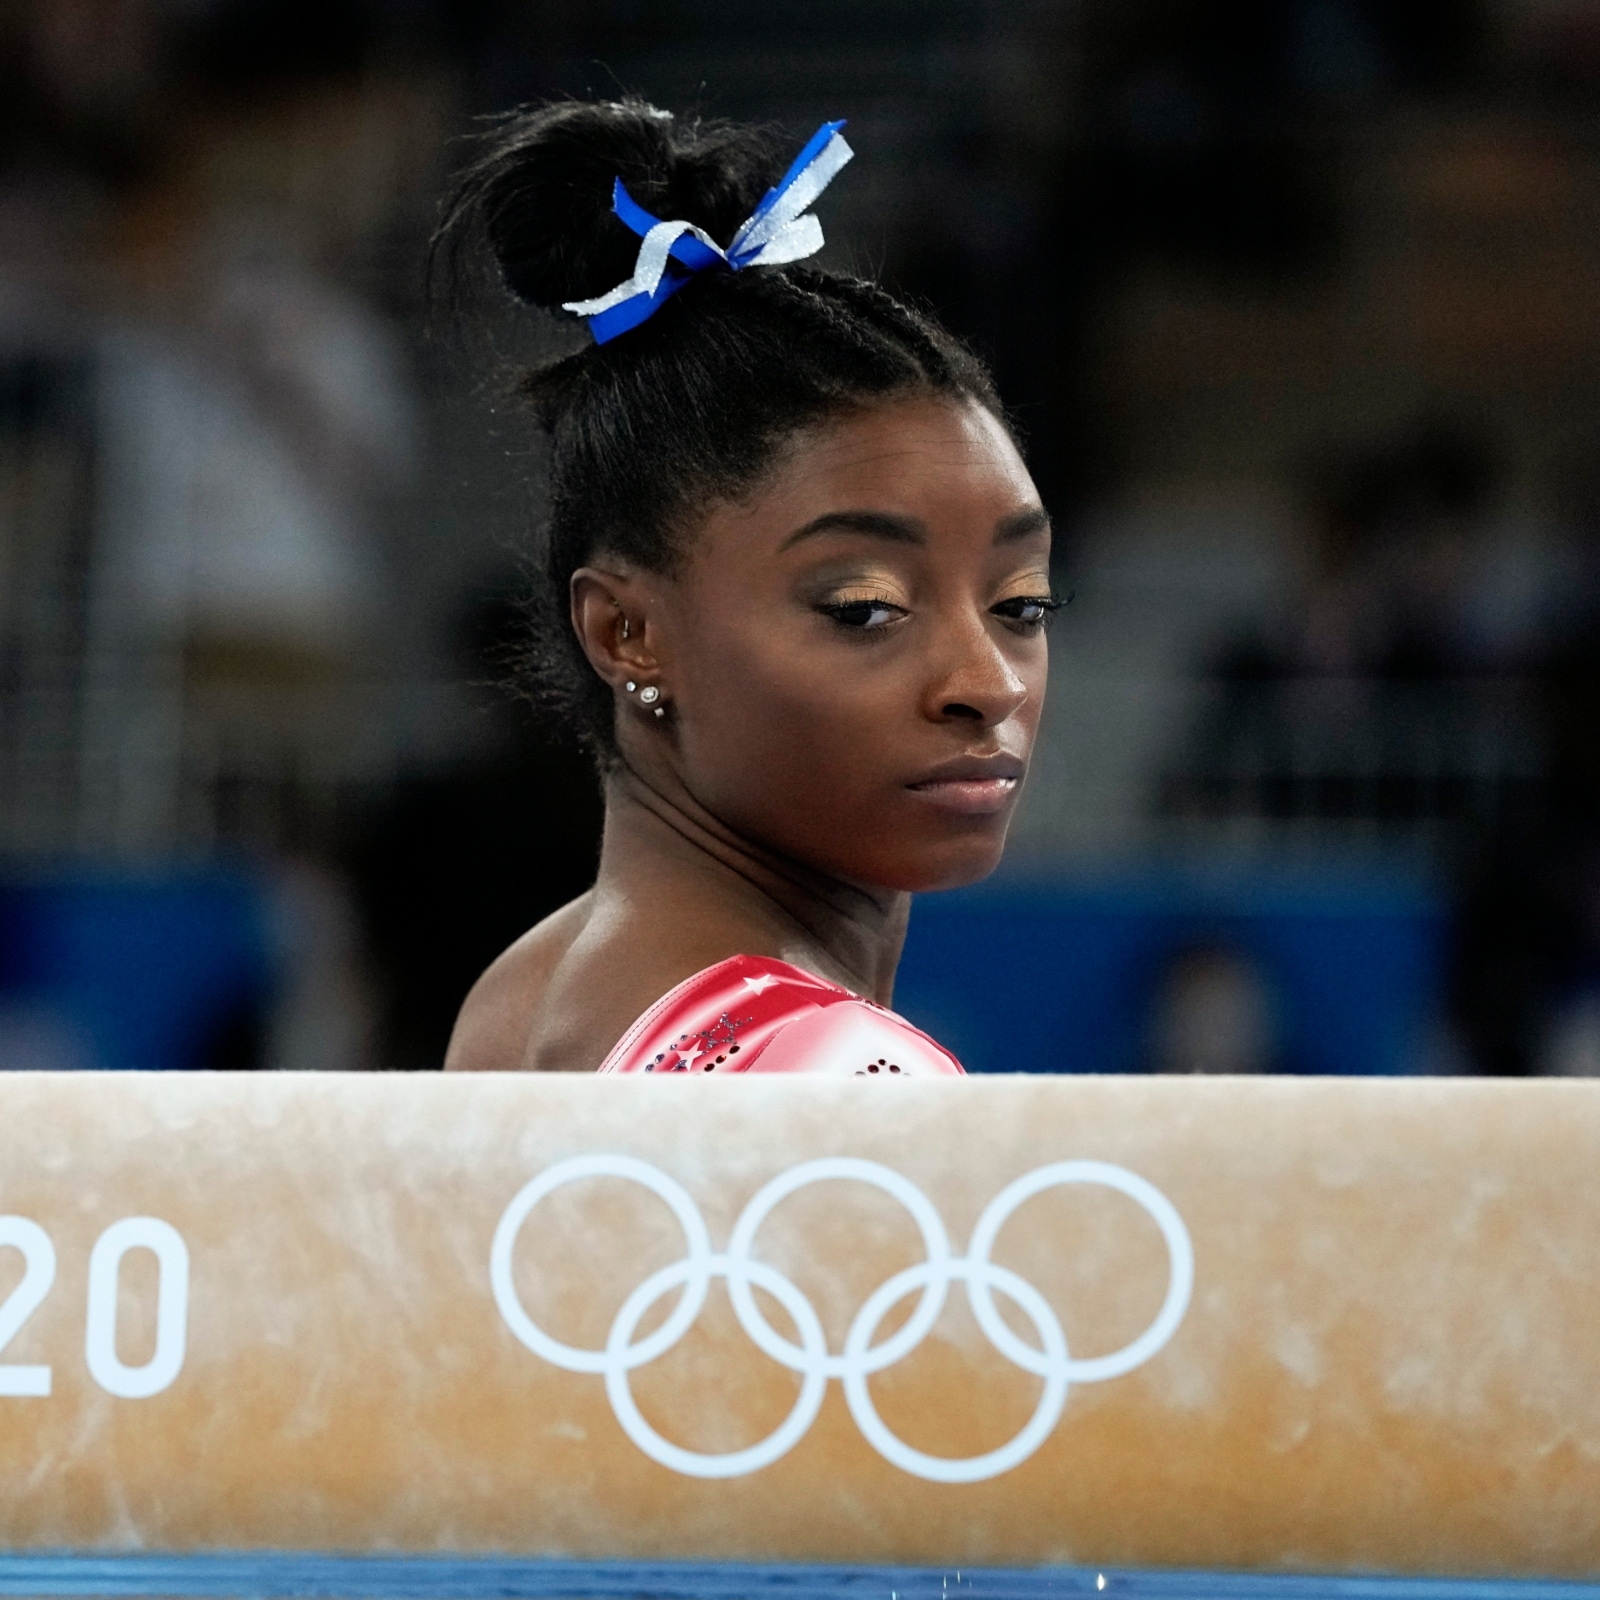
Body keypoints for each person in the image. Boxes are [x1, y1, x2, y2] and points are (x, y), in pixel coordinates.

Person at [435, 100, 1055, 1075]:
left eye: (1019, 603)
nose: (988, 682)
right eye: (866, 609)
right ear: (628, 631)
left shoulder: (520, 994)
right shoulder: (844, 1076)